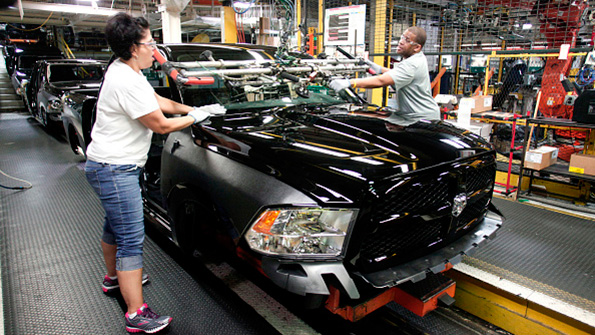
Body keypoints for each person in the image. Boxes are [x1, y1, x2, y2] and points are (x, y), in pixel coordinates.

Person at [84, 12, 225, 334]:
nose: (154, 49)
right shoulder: (124, 80)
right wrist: (196, 118)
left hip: (109, 164)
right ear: (134, 47)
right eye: (149, 43)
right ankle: (137, 313)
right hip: (114, 168)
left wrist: (191, 108)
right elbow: (160, 124)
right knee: (131, 239)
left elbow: (157, 101)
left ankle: (112, 279)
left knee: (113, 226)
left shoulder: (125, 70)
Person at [329, 26, 440, 124]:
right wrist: (379, 69)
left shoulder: (412, 64)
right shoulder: (415, 58)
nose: (401, 42)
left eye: (407, 40)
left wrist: (349, 82)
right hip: (410, 115)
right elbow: (398, 74)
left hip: (421, 118)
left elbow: (381, 81)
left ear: (417, 47)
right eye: (402, 37)